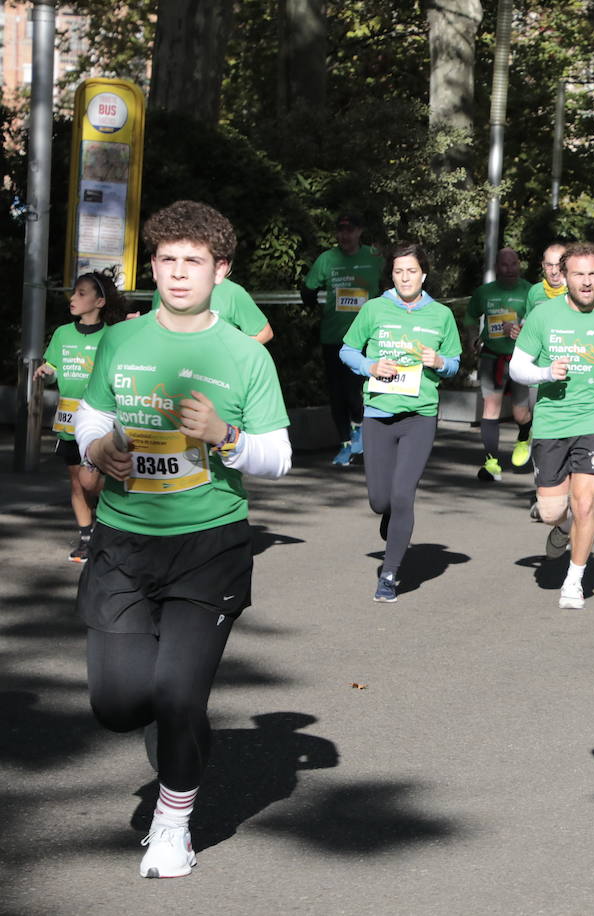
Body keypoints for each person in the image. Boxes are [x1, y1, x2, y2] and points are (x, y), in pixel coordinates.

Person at [74, 200, 292, 878]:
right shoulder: (123, 339)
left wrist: (225, 437)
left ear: (219, 271)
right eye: (166, 260)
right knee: (118, 704)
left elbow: (278, 457)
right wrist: (100, 446)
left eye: (193, 261)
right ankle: (170, 728)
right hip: (124, 539)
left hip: (209, 545)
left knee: (178, 695)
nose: (177, 273)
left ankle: (173, 823)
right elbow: (90, 416)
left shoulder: (240, 354)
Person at [509, 241, 594, 609]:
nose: (586, 282)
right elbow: (516, 367)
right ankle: (561, 526)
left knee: (585, 503)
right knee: (554, 511)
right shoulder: (543, 316)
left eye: (593, 274)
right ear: (564, 277)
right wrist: (545, 372)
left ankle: (574, 579)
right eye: (578, 274)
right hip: (552, 422)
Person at [339, 242, 462, 602]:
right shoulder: (376, 309)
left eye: (412, 271)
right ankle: (389, 516)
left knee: (403, 494)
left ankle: (389, 575)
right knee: (381, 500)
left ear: (423, 274)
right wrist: (370, 366)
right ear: (392, 275)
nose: (405, 277)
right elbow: (347, 349)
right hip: (378, 413)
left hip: (420, 415)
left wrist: (439, 362)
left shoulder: (440, 315)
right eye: (399, 271)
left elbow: (454, 363)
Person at [33, 270, 125, 562]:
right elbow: (55, 371)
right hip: (68, 420)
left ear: (99, 301)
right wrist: (47, 374)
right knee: (76, 482)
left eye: (81, 293)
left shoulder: (113, 335)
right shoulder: (62, 334)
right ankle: (87, 537)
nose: (73, 298)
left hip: (101, 420)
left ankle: (117, 523)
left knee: (96, 480)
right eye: (74, 293)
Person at [302, 211, 386, 466]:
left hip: (367, 339)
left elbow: (390, 285)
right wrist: (321, 308)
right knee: (338, 394)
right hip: (334, 336)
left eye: (350, 230)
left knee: (358, 393)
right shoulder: (327, 259)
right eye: (340, 231)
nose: (344, 236)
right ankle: (345, 445)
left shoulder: (374, 258)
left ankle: (361, 436)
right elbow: (308, 291)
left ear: (360, 232)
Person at [466, 247, 534, 481]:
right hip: (492, 357)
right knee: (490, 408)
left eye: (513, 264)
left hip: (520, 360)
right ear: (497, 268)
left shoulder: (529, 292)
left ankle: (524, 437)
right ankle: (491, 462)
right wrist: (474, 338)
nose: (509, 269)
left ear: (519, 265)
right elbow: (470, 317)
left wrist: (523, 331)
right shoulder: (485, 292)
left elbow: (537, 323)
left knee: (520, 413)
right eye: (504, 265)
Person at [150, 276, 273, 344]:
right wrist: (139, 327)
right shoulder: (162, 291)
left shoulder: (231, 291)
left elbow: (264, 333)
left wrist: (229, 355)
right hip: (171, 377)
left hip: (213, 378)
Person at [526, 241, 568, 314]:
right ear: (543, 265)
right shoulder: (535, 291)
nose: (554, 271)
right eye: (549, 265)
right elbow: (527, 323)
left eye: (559, 265)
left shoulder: (575, 291)